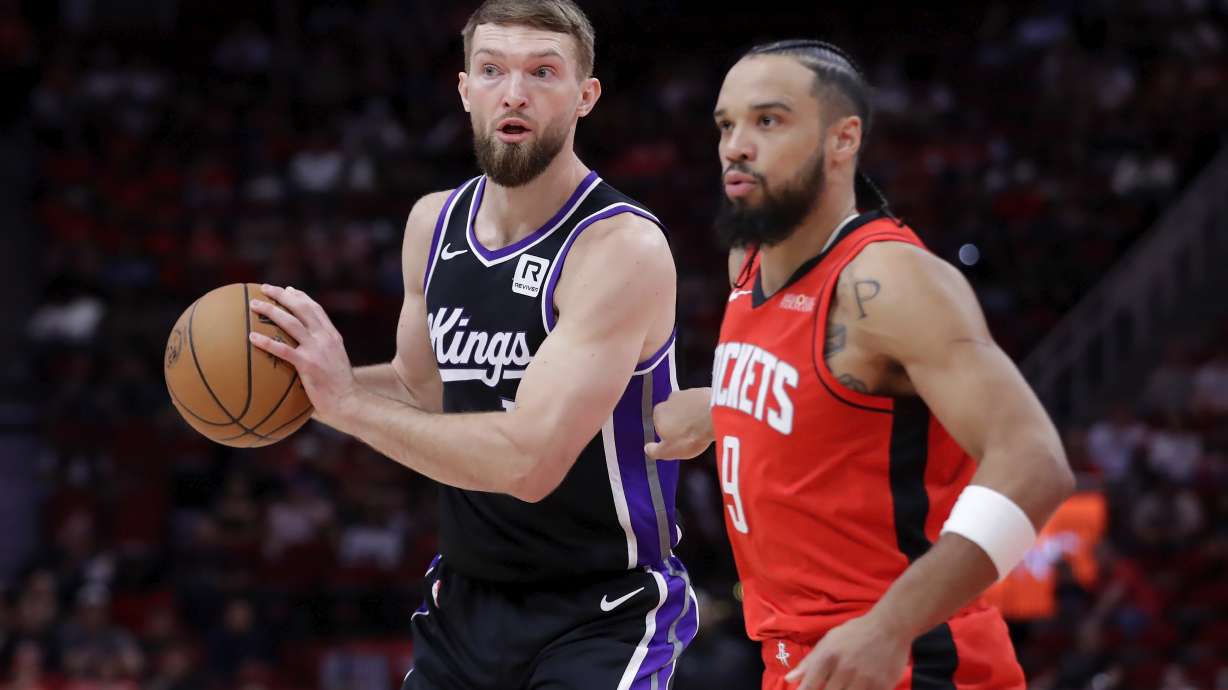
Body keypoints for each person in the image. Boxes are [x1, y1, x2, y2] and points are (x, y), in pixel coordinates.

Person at [248, 1, 697, 688]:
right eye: (492, 70)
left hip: (600, 610)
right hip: (464, 602)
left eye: (543, 72)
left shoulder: (619, 248)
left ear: (586, 96)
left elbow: (529, 463)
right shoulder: (434, 222)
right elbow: (422, 386)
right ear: (465, 90)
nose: (513, 92)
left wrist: (343, 405)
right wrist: (289, 386)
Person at [645, 40, 1075, 690]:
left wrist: (890, 626)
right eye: (726, 124)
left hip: (909, 664)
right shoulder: (750, 264)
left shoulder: (888, 281)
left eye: (768, 120)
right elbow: (825, 397)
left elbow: (1035, 464)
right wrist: (722, 405)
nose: (735, 145)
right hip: (797, 666)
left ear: (843, 139)